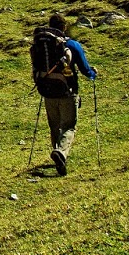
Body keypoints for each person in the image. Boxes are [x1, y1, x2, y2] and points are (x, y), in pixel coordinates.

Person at [30, 12, 96, 175]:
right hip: (67, 91)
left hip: (47, 92)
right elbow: (85, 69)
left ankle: (58, 159)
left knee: (55, 126)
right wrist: (93, 74)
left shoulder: (43, 45)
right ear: (64, 27)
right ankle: (60, 153)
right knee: (68, 126)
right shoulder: (71, 45)